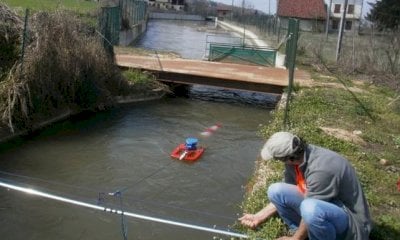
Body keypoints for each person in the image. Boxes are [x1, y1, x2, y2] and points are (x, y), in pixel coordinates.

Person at [239, 131, 371, 240]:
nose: (279, 162)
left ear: (289, 157)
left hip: (351, 225)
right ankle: (304, 232)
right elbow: (289, 189)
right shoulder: (297, 158)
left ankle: (303, 236)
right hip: (326, 207)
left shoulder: (322, 169)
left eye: (278, 159)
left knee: (310, 208)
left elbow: (312, 205)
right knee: (276, 190)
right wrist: (259, 216)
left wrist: (295, 239)